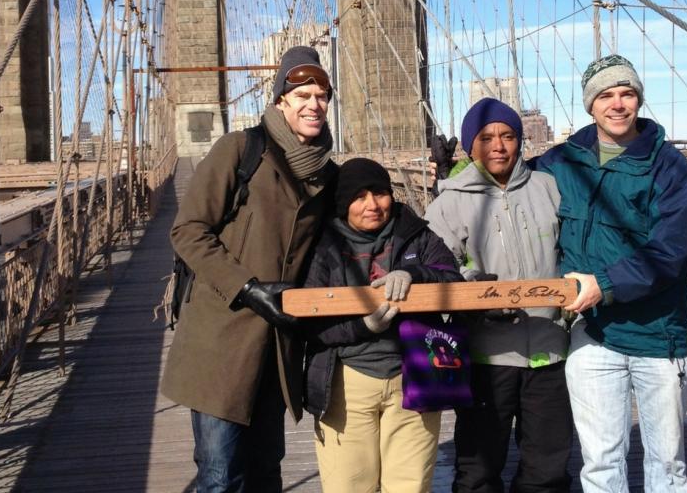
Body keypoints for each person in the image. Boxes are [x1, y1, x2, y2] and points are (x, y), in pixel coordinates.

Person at [160, 46, 338, 492]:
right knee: (220, 477)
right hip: (222, 338)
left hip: (277, 348)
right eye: (302, 96)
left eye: (321, 96)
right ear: (281, 101)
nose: (313, 105)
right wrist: (248, 287)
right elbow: (188, 230)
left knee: (264, 474)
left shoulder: (327, 175)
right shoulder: (241, 150)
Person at [534, 54, 687, 492]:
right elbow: (505, 190)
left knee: (667, 465)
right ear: (590, 105)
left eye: (627, 93)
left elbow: (670, 252)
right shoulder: (557, 163)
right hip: (593, 336)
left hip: (658, 338)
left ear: (639, 100)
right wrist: (456, 172)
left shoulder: (671, 167)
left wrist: (602, 285)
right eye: (606, 95)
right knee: (601, 463)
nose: (618, 104)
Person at [424, 98, 572, 493]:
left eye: (508, 136)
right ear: (471, 146)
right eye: (486, 137)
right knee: (478, 469)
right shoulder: (449, 203)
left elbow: (576, 249)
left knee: (549, 469)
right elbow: (433, 268)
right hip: (486, 355)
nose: (499, 146)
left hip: (550, 347)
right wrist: (472, 288)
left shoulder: (549, 189)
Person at [303, 158, 463, 493]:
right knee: (349, 486)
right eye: (358, 197)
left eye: (379, 193)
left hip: (414, 374)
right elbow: (309, 321)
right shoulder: (323, 245)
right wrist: (363, 327)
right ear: (342, 202)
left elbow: (452, 279)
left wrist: (415, 274)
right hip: (347, 381)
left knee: (409, 486)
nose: (372, 205)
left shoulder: (415, 233)